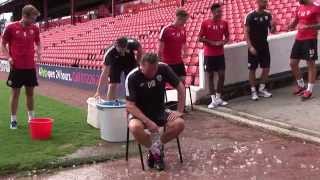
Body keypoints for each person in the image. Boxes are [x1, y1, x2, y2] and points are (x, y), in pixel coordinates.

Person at [125, 53, 186, 171]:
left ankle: (155, 150)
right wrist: (147, 122)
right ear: (141, 66)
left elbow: (181, 88)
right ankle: (157, 153)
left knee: (180, 124)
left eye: (155, 69)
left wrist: (180, 110)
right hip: (140, 113)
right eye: (149, 70)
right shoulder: (132, 77)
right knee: (134, 127)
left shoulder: (163, 68)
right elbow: (129, 106)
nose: (153, 73)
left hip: (160, 110)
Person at [1, 5, 42, 129]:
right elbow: (2, 44)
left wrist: (39, 51)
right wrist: (9, 57)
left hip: (30, 67)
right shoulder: (11, 27)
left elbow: (38, 42)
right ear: (25, 16)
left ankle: (31, 118)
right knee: (15, 94)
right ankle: (13, 120)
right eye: (33, 18)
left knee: (30, 93)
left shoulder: (34, 28)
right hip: (16, 67)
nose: (34, 21)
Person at [198, 3, 229, 108]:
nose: (220, 13)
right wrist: (211, 42)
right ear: (212, 12)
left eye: (221, 11)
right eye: (218, 12)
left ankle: (219, 98)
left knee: (222, 75)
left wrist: (222, 42)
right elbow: (199, 38)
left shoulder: (224, 23)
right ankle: (213, 100)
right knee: (210, 76)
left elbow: (227, 37)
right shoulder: (205, 23)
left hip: (220, 54)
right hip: (209, 54)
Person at [288, 0, 320, 100]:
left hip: (310, 39)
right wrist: (290, 26)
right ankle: (301, 86)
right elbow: (295, 21)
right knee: (293, 63)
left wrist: (308, 26)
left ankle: (309, 90)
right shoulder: (300, 7)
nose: (298, 1)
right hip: (299, 38)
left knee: (310, 64)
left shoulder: (316, 7)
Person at [244, 0, 276, 101]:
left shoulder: (268, 15)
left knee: (266, 67)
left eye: (266, 1)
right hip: (253, 46)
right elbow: (246, 33)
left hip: (264, 45)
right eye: (263, 1)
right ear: (257, 2)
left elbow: (272, 31)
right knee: (252, 69)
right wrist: (250, 47)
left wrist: (274, 26)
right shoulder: (250, 16)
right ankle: (253, 91)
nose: (265, 3)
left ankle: (262, 89)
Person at [158, 9, 188, 80]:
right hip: (168, 63)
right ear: (179, 18)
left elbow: (184, 42)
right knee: (165, 82)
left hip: (179, 61)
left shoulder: (183, 29)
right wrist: (161, 64)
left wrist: (185, 51)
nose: (185, 23)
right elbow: (160, 50)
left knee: (182, 80)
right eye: (184, 21)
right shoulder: (166, 30)